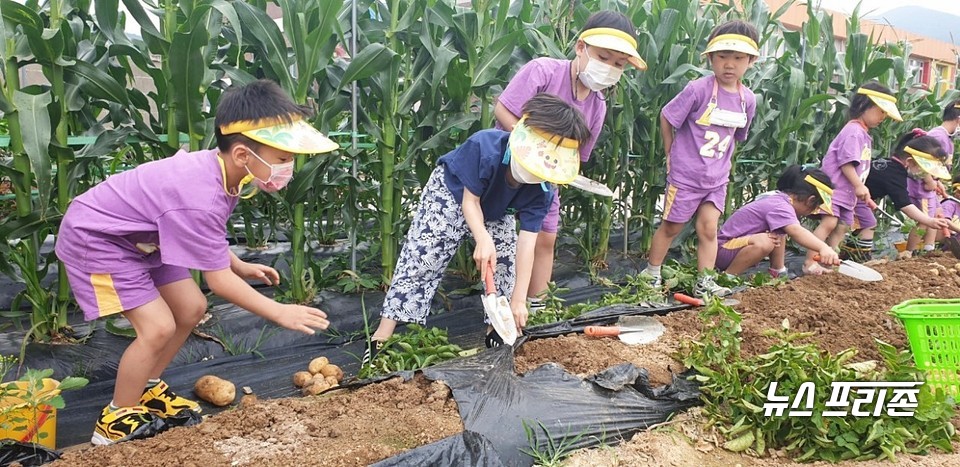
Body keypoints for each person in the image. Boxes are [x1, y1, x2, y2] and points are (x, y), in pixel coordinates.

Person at [55, 80, 337, 445]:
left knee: (191, 307)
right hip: (98, 239)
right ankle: (116, 417)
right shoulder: (200, 193)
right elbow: (215, 276)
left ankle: (148, 388)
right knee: (156, 327)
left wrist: (237, 264)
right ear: (242, 154)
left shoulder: (227, 175)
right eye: (283, 159)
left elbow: (205, 233)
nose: (290, 167)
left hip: (145, 237)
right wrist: (278, 312)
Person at [369, 94, 591, 352]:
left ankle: (496, 332)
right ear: (520, 134)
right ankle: (381, 337)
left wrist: (520, 300)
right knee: (423, 257)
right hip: (452, 192)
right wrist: (482, 238)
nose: (535, 171)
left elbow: (527, 243)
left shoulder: (543, 190)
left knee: (505, 262)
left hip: (496, 208)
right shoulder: (485, 146)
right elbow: (469, 202)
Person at [493, 10, 645, 313]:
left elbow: (577, 156)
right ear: (581, 48)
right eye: (603, 57)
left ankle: (537, 304)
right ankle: (499, 304)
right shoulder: (543, 71)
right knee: (504, 242)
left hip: (547, 180)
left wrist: (557, 170)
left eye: (618, 64)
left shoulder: (598, 106)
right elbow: (503, 110)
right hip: (508, 168)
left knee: (545, 238)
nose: (610, 68)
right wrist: (532, 150)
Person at [640, 20, 759, 298]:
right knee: (671, 226)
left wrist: (722, 168)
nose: (729, 65)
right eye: (722, 57)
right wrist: (671, 155)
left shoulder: (747, 99)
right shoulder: (699, 89)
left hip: (716, 179)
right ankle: (651, 275)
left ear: (751, 61)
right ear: (710, 58)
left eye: (738, 58)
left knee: (709, 229)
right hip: (686, 176)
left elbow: (736, 137)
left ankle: (704, 281)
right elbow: (667, 117)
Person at [803, 82, 902, 272]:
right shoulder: (854, 132)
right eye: (880, 111)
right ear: (864, 106)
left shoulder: (863, 134)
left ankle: (828, 260)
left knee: (843, 226)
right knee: (830, 222)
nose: (883, 117)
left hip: (847, 194)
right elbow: (846, 163)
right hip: (835, 189)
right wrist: (859, 186)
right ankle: (810, 262)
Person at [716, 166, 840, 275]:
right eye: (816, 206)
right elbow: (797, 232)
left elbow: (782, 233)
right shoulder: (780, 206)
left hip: (731, 248)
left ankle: (777, 270)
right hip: (724, 250)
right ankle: (729, 276)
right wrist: (823, 247)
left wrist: (779, 270)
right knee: (766, 242)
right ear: (810, 200)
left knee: (776, 233)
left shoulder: (779, 200)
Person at [858, 130, 955, 249]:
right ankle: (858, 254)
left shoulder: (891, 165)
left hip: (859, 198)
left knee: (864, 223)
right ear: (909, 162)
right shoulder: (895, 176)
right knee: (869, 223)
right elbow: (905, 205)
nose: (923, 174)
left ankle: (852, 251)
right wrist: (929, 221)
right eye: (923, 170)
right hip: (854, 197)